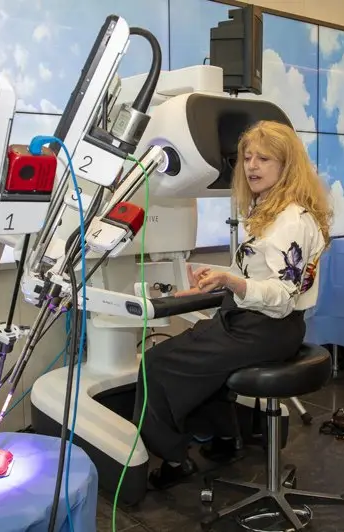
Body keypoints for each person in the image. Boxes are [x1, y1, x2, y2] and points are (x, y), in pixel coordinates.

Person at [132, 120, 333, 490]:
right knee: (201, 353)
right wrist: (214, 280)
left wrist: (230, 283)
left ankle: (174, 459)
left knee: (155, 364)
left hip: (265, 326)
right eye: (247, 157)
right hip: (257, 323)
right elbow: (255, 273)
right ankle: (225, 438)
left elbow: (281, 297)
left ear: (286, 165)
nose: (252, 166)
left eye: (264, 159)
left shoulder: (290, 221)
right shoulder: (274, 210)